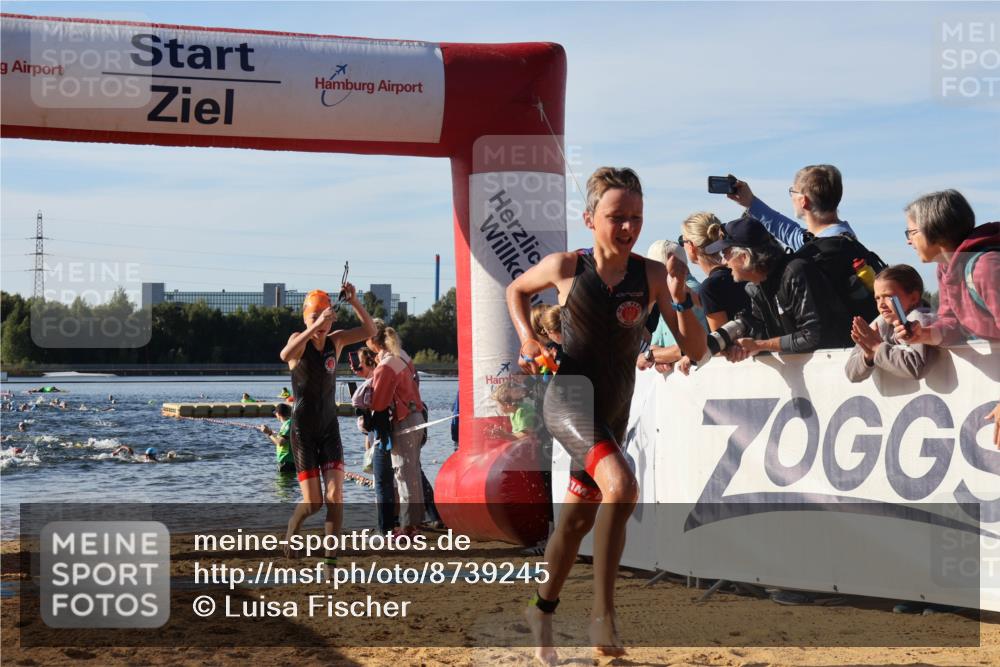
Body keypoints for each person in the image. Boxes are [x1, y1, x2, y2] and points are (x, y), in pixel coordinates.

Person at [506, 166, 707, 662]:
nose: (628, 228)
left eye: (636, 218)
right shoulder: (566, 267)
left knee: (573, 525)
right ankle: (603, 613)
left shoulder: (653, 275)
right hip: (569, 398)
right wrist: (527, 338)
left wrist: (682, 298)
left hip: (615, 405)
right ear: (589, 217)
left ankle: (541, 608)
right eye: (617, 217)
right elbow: (516, 290)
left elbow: (695, 350)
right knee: (623, 485)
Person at [280, 283, 376, 563]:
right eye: (314, 319)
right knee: (314, 502)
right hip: (302, 432)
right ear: (306, 320)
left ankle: (330, 558)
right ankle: (292, 528)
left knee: (336, 496)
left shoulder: (336, 341)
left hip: (328, 429)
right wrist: (313, 327)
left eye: (325, 319)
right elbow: (285, 356)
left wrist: (355, 301)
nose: (321, 326)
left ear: (332, 318)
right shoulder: (299, 339)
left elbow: (370, 332)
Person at [895, 190, 1000, 446]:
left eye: (912, 232)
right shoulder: (947, 267)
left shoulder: (987, 267)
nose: (908, 241)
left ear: (935, 230)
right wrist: (925, 334)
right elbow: (952, 323)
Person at [705, 215, 853, 357]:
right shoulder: (756, 286)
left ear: (744, 257)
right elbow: (760, 330)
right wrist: (738, 345)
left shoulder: (795, 272)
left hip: (839, 369)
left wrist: (760, 345)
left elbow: (812, 336)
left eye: (726, 254)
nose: (724, 262)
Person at [367, 322, 429, 537]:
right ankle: (415, 522)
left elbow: (379, 403)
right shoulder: (402, 356)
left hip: (403, 422)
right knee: (413, 473)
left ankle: (406, 527)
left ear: (373, 342)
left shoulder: (385, 366)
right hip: (417, 417)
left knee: (402, 474)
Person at [726, 165, 856, 252]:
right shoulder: (840, 239)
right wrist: (750, 201)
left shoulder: (823, 250)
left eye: (792, 191)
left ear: (803, 201)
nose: (791, 196)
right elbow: (788, 231)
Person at [845, 265, 937, 382]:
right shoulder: (880, 323)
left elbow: (917, 368)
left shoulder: (920, 320)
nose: (881, 305)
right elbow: (851, 373)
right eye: (877, 298)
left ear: (914, 298)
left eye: (888, 297)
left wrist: (877, 348)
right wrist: (868, 356)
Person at [637, 239, 708, 375]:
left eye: (651, 269)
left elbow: (696, 348)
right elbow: (656, 345)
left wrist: (649, 356)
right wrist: (660, 357)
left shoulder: (692, 294)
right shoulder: (666, 294)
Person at [351, 347, 396, 533]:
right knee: (388, 483)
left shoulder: (373, 383)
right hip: (378, 437)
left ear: (369, 362)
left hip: (382, 437)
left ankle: (386, 527)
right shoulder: (375, 380)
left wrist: (363, 422)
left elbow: (368, 420)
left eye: (359, 364)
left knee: (383, 483)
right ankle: (391, 523)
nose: (356, 368)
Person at [259, 403, 296, 475]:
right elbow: (280, 440)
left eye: (275, 414)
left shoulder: (288, 424)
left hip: (286, 461)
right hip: (288, 461)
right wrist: (269, 433)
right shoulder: (288, 423)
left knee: (282, 485)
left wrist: (269, 433)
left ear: (278, 414)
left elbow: (280, 442)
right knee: (286, 485)